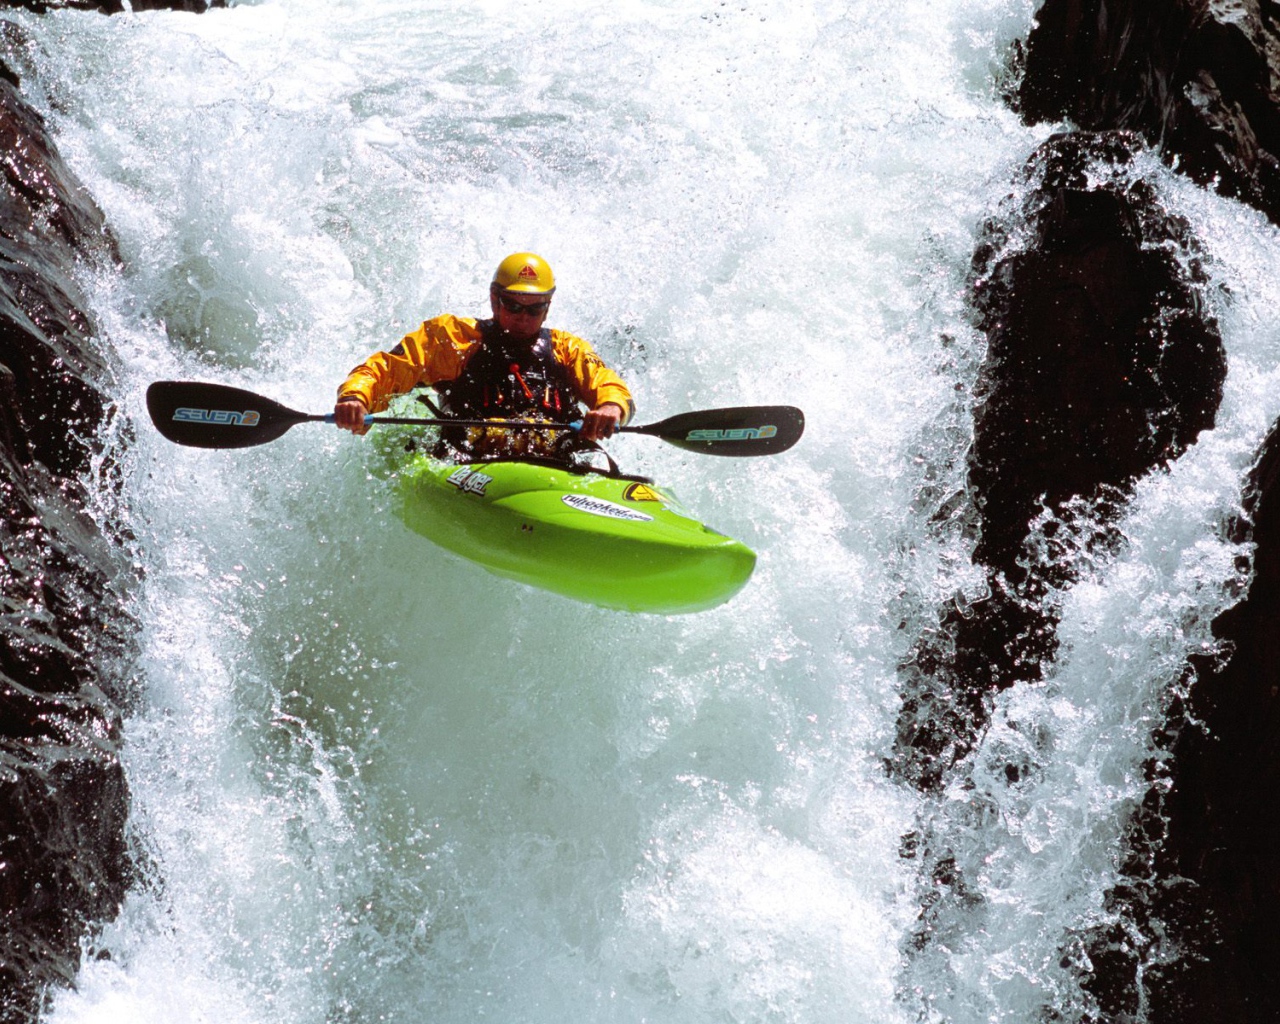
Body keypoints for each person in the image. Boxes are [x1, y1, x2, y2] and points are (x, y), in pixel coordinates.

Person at [334, 252, 633, 462]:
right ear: (494, 299)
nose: (523, 318)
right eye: (513, 306)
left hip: (558, 461)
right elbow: (385, 370)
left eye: (535, 309)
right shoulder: (454, 339)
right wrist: (356, 398)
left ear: (548, 306)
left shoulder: (567, 349)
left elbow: (608, 385)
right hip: (470, 461)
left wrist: (610, 408)